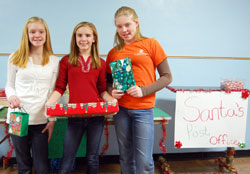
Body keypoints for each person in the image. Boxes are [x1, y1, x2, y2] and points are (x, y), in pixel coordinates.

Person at [106, 6, 173, 174]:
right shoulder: (113, 53)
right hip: (121, 110)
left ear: (136, 23)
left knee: (144, 161)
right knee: (126, 157)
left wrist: (144, 90)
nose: (124, 30)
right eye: (119, 26)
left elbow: (167, 76)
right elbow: (107, 82)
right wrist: (111, 91)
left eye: (127, 25)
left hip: (143, 110)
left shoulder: (151, 44)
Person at [46, 21, 115, 174]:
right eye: (80, 35)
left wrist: (111, 100)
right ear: (74, 38)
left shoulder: (101, 63)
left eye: (87, 35)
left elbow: (102, 90)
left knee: (92, 158)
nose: (83, 39)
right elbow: (60, 87)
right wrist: (49, 103)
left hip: (96, 117)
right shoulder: (66, 61)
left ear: (94, 38)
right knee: (68, 158)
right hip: (74, 117)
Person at [5, 16, 59, 174]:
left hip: (41, 120)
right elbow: (9, 85)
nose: (37, 35)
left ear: (46, 34)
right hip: (18, 117)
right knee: (23, 165)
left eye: (41, 31)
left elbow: (52, 92)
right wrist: (11, 96)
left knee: (42, 167)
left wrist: (52, 119)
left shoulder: (54, 61)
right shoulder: (15, 57)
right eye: (33, 31)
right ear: (26, 35)